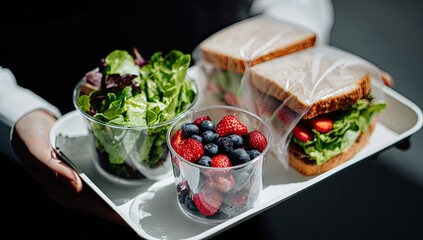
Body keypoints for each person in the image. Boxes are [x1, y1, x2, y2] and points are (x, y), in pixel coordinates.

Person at [1, 0, 392, 238]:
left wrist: (295, 56)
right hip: (51, 166)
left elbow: (294, 3)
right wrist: (17, 112)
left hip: (231, 205)